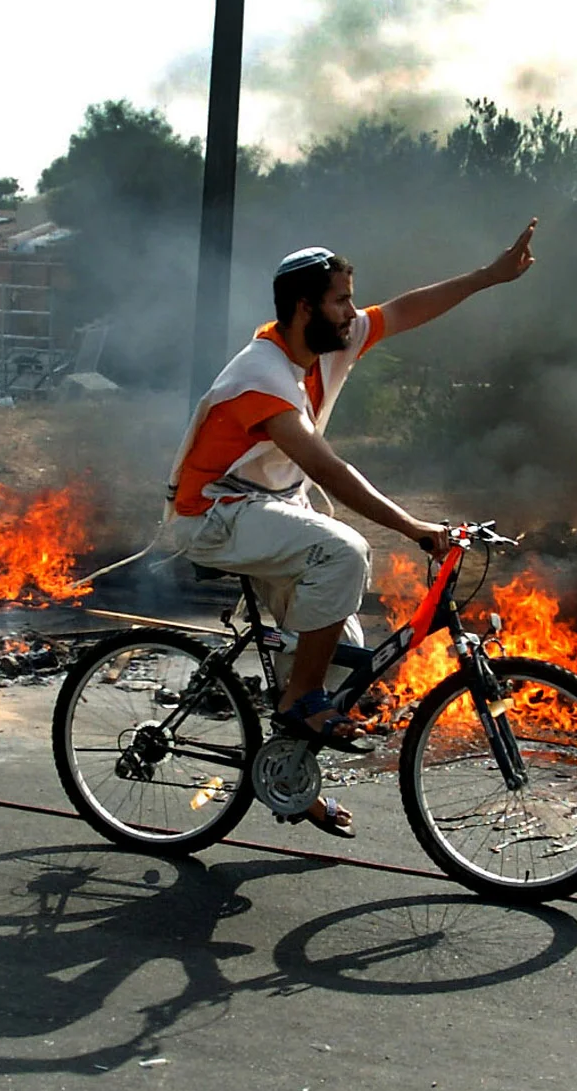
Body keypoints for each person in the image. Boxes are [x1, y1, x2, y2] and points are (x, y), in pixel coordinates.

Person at [165, 220, 539, 837]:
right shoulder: (261, 372)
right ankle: (296, 701)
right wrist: (415, 527)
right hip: (212, 515)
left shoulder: (324, 347)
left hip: (268, 508)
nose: (351, 313)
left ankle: (290, 779)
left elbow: (406, 309)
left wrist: (488, 277)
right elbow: (327, 470)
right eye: (341, 300)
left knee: (349, 654)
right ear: (305, 307)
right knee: (344, 552)